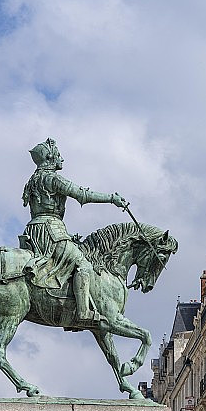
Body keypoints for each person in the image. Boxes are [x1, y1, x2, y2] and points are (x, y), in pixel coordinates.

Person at [21, 138, 127, 326]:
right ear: (50, 157)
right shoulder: (52, 178)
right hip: (51, 231)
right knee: (83, 265)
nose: (62, 159)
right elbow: (82, 194)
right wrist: (111, 198)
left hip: (34, 230)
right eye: (59, 155)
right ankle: (84, 311)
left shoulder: (33, 180)